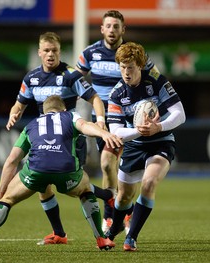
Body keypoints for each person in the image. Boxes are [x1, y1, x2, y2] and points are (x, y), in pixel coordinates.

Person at [0, 95, 122, 252]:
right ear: (64, 109)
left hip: (37, 170)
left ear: (43, 112)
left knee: (7, 199)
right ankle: (101, 238)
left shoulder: (31, 124)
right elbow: (86, 126)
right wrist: (104, 134)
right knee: (85, 189)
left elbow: (12, 161)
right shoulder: (70, 116)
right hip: (66, 171)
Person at [5, 32, 114, 245]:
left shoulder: (70, 75)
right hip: (43, 140)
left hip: (70, 140)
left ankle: (106, 201)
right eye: (46, 50)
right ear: (39, 53)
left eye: (54, 50)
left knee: (78, 188)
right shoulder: (31, 78)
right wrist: (14, 112)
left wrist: (100, 121)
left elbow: (95, 98)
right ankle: (60, 234)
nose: (50, 54)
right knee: (41, 186)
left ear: (59, 52)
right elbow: (19, 103)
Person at [75, 10, 157, 233]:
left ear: (123, 29)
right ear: (102, 29)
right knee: (105, 165)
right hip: (104, 120)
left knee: (128, 169)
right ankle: (111, 216)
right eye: (108, 26)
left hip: (133, 119)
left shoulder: (134, 54)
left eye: (116, 26)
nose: (112, 30)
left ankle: (126, 213)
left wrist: (155, 106)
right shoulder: (90, 53)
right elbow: (74, 80)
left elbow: (155, 78)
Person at [106, 42, 186, 251]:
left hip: (161, 141)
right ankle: (115, 227)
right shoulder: (116, 93)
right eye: (122, 67)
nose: (126, 72)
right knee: (123, 197)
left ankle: (131, 236)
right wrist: (139, 131)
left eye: (130, 67)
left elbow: (180, 114)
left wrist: (158, 127)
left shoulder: (157, 82)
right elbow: (115, 131)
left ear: (140, 65)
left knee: (149, 183)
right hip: (134, 145)